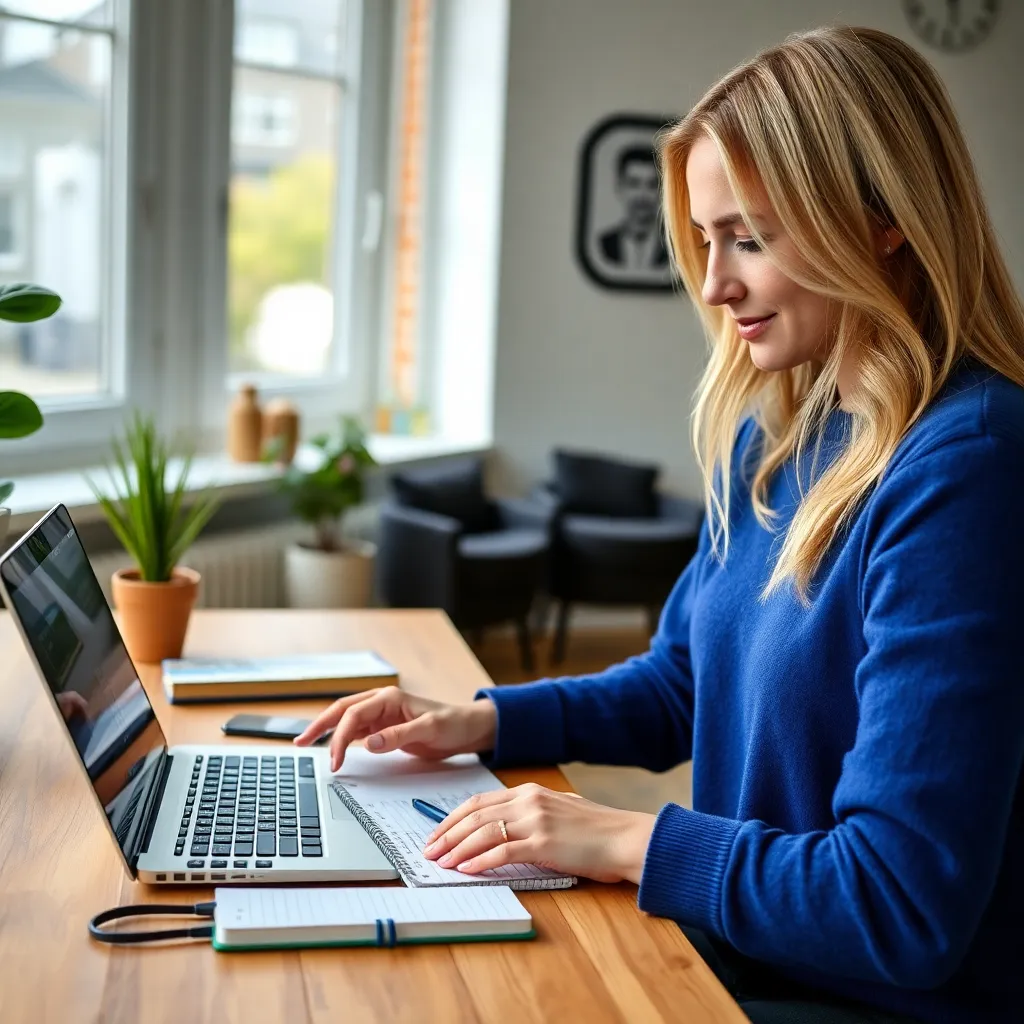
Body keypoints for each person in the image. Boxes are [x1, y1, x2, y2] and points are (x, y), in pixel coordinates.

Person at [297, 25, 1024, 1024]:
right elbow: (685, 681)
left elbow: (897, 904)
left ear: (883, 217)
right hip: (739, 954)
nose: (716, 285)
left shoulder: (968, 467)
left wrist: (620, 836)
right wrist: (485, 719)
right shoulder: (776, 438)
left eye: (749, 238)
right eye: (706, 239)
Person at [597, 145, 670, 271]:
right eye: (634, 184)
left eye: (652, 185)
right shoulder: (602, 245)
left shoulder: (674, 247)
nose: (642, 195)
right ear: (620, 187)